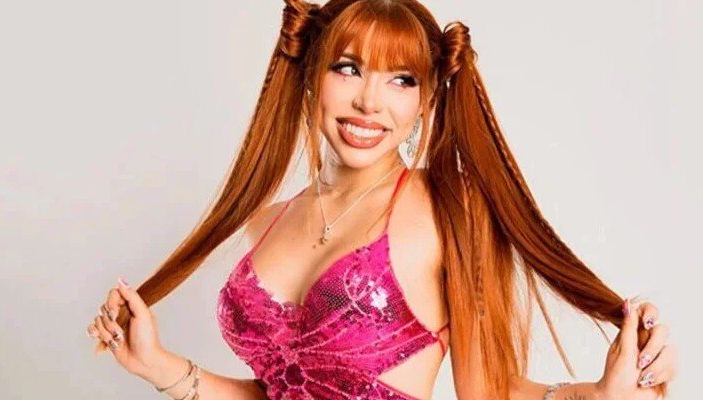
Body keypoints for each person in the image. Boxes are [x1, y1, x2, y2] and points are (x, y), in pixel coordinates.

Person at [86, 1, 677, 399]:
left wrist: (598, 396)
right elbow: (281, 391)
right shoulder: (265, 222)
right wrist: (160, 366)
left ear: (426, 100)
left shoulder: (448, 207)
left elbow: (489, 392)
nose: (371, 102)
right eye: (348, 69)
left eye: (402, 79)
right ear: (311, 76)